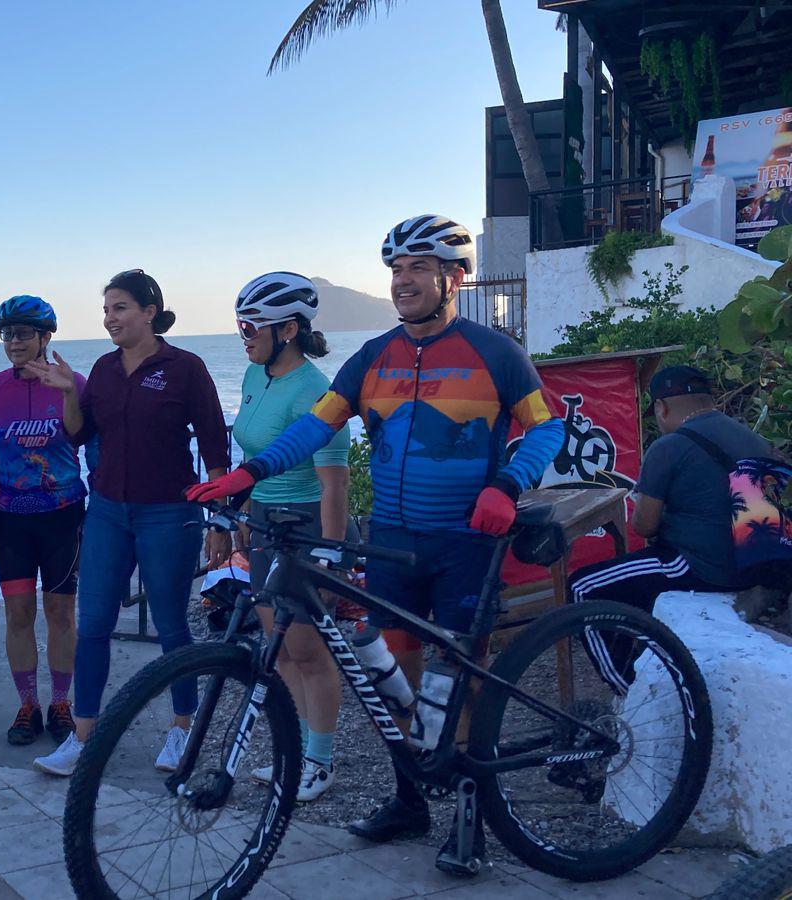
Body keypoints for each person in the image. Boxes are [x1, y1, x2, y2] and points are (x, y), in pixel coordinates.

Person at [188, 215, 566, 875]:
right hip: (391, 546)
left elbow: (546, 430)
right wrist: (252, 473)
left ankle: (471, 818)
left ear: (456, 277)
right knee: (396, 679)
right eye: (395, 269)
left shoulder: (493, 352)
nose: (403, 281)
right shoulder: (374, 358)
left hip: (463, 544)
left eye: (418, 267)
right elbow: (315, 428)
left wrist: (508, 483)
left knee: (461, 683)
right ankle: (410, 799)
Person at [26, 268, 231, 777]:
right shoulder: (103, 368)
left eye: (120, 308)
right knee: (93, 624)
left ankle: (183, 729)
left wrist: (222, 517)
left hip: (169, 513)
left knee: (170, 623)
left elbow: (213, 444)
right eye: (106, 309)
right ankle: (84, 738)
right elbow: (78, 434)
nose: (109, 318)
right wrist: (68, 393)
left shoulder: (184, 367)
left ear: (149, 312)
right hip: (108, 513)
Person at [569, 365, 775, 689]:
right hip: (759, 566)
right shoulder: (753, 439)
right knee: (634, 581)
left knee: (583, 587)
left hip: (706, 567)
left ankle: (627, 689)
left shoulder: (669, 447)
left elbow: (645, 526)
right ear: (711, 401)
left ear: (662, 408)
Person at [225, 272, 351, 802]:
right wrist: (238, 520)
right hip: (265, 522)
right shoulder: (258, 377)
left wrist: (330, 552)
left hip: (304, 523)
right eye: (239, 326)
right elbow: (252, 459)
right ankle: (300, 750)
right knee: (277, 648)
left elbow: (335, 486)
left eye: (251, 326)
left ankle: (319, 762)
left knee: (306, 649)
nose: (243, 335)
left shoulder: (317, 392)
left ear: (290, 330)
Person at [0, 295, 93, 746]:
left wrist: (99, 508)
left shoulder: (73, 382)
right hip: (10, 519)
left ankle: (61, 702)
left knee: (61, 613)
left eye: (22, 333)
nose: (13, 342)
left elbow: (90, 444)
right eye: (7, 334)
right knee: (18, 614)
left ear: (45, 337)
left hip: (62, 517)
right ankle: (27, 705)